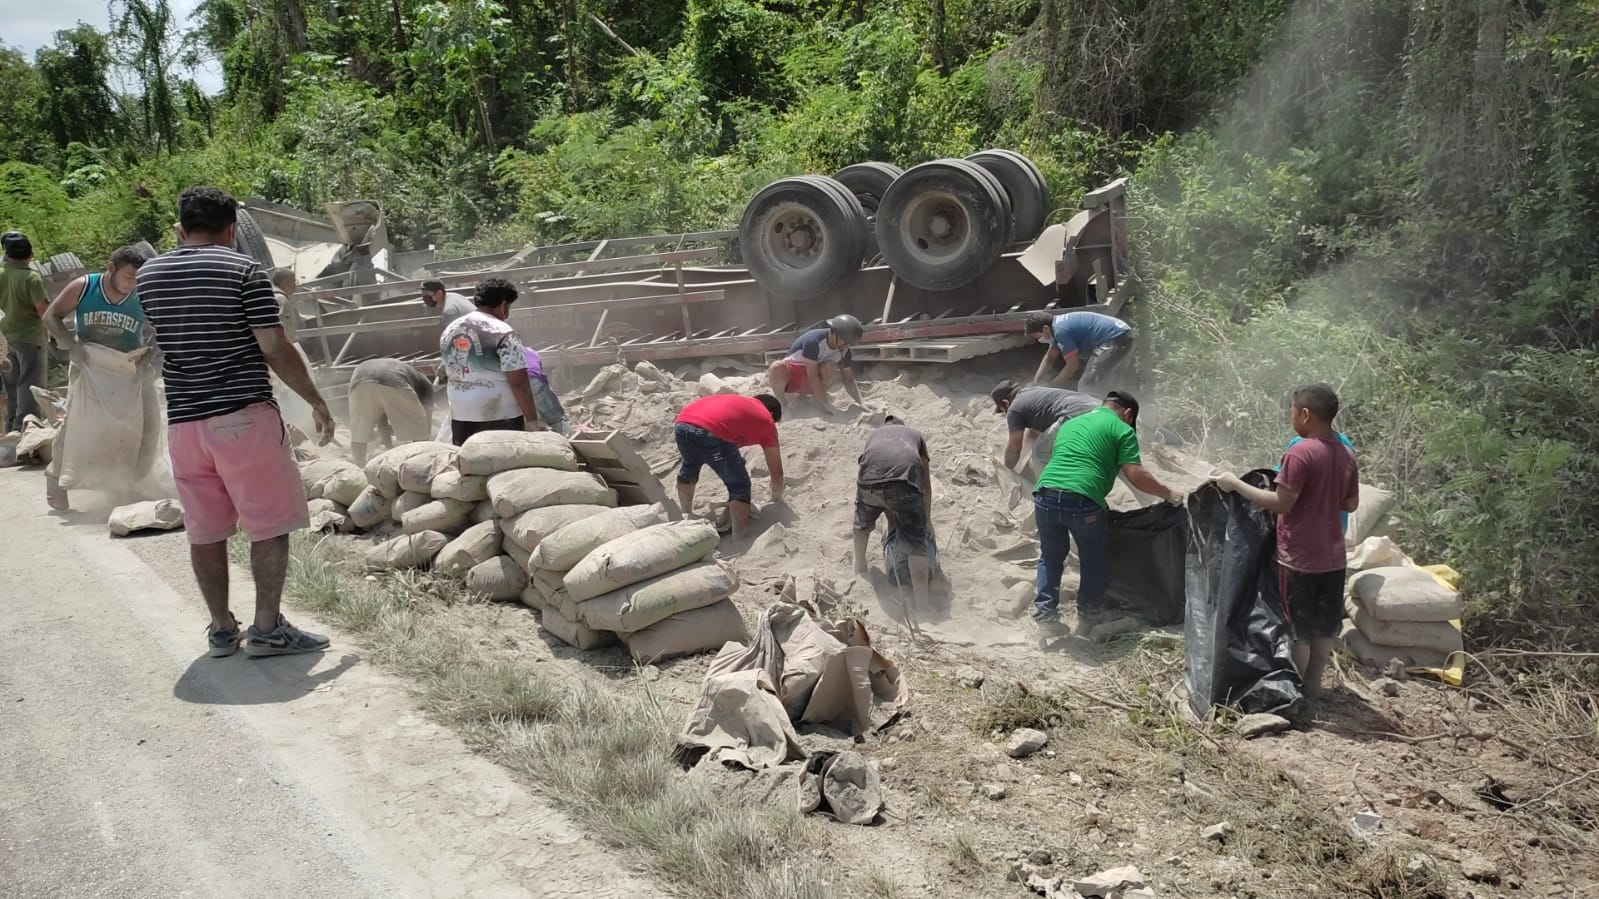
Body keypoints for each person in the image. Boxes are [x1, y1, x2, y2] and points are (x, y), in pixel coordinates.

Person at [137, 186, 337, 659]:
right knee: (268, 524)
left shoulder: (149, 276)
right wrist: (316, 400)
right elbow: (273, 346)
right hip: (241, 417)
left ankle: (222, 629)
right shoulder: (242, 269)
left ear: (180, 228)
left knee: (204, 530)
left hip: (185, 425)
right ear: (231, 230)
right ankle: (267, 629)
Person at [1217, 383, 1359, 700]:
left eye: (1293, 412)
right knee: (1324, 628)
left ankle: (1293, 692)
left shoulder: (1300, 452)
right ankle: (1313, 689)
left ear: (1306, 414)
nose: (1292, 418)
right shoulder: (1346, 453)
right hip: (1334, 558)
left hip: (1299, 558)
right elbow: (1351, 505)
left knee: (1299, 632)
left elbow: (1281, 504)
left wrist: (1235, 484)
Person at [1031, 391, 1184, 639]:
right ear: (1128, 413)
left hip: (1045, 494)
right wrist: (1169, 493)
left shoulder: (1072, 423)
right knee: (1094, 559)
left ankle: (1046, 616)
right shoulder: (1122, 429)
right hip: (1082, 500)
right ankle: (1089, 616)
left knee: (1050, 558)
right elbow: (1135, 474)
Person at [41, 244, 158, 510]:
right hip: (89, 365)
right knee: (77, 423)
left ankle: (123, 483)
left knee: (141, 424)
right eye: (129, 276)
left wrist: (146, 360)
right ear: (111, 268)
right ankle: (56, 477)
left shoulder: (142, 295)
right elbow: (51, 317)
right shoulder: (84, 287)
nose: (133, 283)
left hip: (126, 366)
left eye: (138, 279)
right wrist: (73, 347)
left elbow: (161, 330)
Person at [439, 278, 541, 444]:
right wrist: (532, 421)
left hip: (461, 414)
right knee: (505, 465)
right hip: (500, 415)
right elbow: (519, 383)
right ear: (504, 305)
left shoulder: (450, 330)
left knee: (470, 464)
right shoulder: (503, 332)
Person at [674, 393, 785, 538]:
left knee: (690, 466)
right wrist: (777, 498)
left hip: (683, 424)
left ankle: (686, 513)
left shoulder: (740, 403)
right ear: (771, 413)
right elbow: (776, 471)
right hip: (711, 431)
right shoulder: (766, 419)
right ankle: (739, 537)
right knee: (740, 487)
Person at [853, 414, 934, 610]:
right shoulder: (914, 435)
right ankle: (922, 604)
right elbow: (925, 481)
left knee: (861, 525)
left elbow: (867, 465)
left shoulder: (873, 436)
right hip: (904, 482)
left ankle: (859, 566)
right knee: (916, 545)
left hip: (868, 482)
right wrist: (927, 520)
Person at [992, 379, 1100, 475]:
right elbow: (1033, 435)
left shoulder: (1014, 408)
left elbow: (1014, 448)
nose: (1005, 413)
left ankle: (1049, 491)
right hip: (1100, 408)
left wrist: (1006, 470)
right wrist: (1022, 460)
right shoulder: (1033, 393)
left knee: (1040, 453)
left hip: (1074, 414)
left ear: (1005, 403)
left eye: (1002, 410)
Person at [766, 313, 869, 412]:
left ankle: (816, 399)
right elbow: (812, 376)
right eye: (844, 340)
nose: (845, 345)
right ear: (834, 332)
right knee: (776, 367)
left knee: (829, 367)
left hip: (810, 384)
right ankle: (783, 406)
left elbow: (849, 380)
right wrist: (824, 403)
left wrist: (862, 402)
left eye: (849, 343)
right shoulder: (813, 341)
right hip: (792, 380)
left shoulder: (844, 351)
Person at [1, 231, 50, 433]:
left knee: (11, 386)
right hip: (30, 339)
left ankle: (11, 427)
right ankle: (25, 430)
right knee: (30, 386)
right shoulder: (32, 278)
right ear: (31, 254)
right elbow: (43, 311)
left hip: (5, 339)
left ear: (6, 254)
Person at [1024, 310, 1135, 396]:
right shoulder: (1058, 326)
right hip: (1123, 335)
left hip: (1113, 339)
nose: (1039, 340)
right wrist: (1036, 381)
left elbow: (1073, 365)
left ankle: (1095, 417)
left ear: (1045, 328)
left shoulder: (1060, 331)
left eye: (1037, 337)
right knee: (1113, 382)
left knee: (1088, 384)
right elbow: (1049, 357)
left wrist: (1053, 387)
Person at [347, 357, 434, 465]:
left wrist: (389, 447)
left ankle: (359, 466)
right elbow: (427, 419)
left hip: (359, 385)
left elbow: (380, 417)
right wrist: (426, 438)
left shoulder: (403, 369)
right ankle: (423, 463)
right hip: (394, 382)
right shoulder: (426, 384)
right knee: (419, 433)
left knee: (359, 434)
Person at [523, 347, 572, 436]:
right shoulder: (530, 351)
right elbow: (540, 375)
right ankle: (569, 441)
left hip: (510, 383)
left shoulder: (499, 351)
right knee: (557, 419)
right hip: (534, 381)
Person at [270, 268, 301, 342]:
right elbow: (280, 327)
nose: (295, 285)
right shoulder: (281, 299)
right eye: (294, 281)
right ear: (284, 282)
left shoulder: (272, 296)